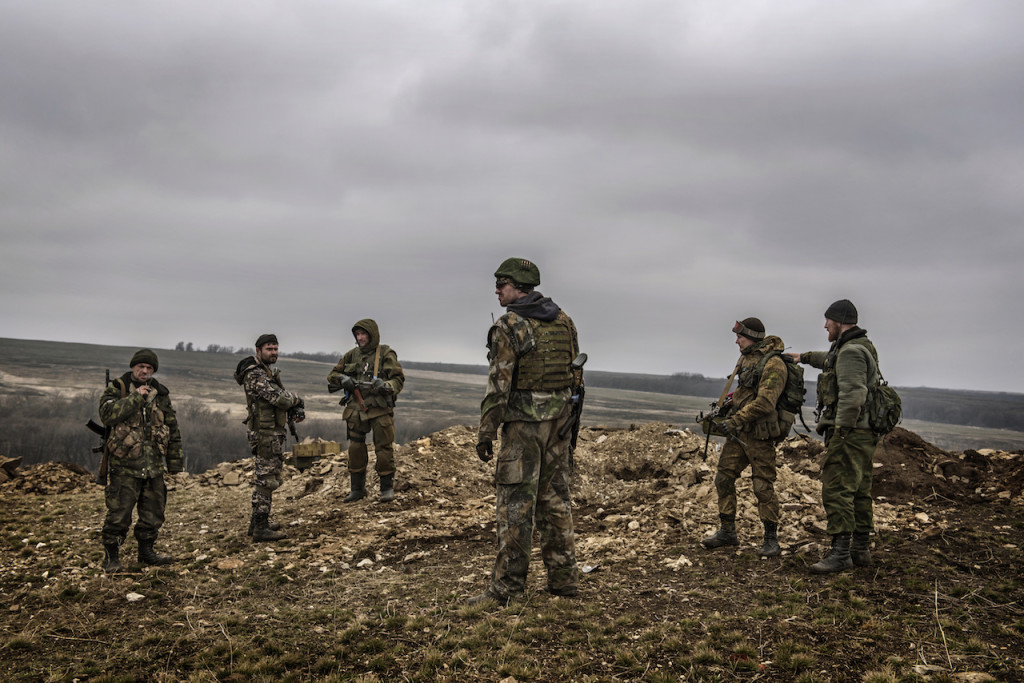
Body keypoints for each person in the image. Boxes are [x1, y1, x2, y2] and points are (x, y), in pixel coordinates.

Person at [470, 257, 582, 605]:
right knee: (555, 501)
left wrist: (486, 431)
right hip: (559, 425)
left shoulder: (509, 325)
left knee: (515, 506)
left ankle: (506, 589)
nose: (497, 290)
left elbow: (498, 384)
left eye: (502, 284)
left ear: (518, 288)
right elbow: (575, 376)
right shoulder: (564, 321)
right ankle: (564, 581)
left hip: (523, 429)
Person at [789, 299, 879, 573]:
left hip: (849, 432)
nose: (825, 325)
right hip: (863, 432)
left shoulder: (851, 351)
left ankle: (840, 554)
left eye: (828, 320)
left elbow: (854, 395)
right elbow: (829, 360)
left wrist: (842, 430)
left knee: (838, 489)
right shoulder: (859, 345)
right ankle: (860, 550)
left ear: (839, 322)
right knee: (860, 489)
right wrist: (801, 357)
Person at [701, 318, 791, 558]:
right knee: (723, 478)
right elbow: (743, 393)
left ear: (752, 337)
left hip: (760, 435)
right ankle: (727, 531)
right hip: (739, 433)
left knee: (762, 487)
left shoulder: (774, 364)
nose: (736, 340)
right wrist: (725, 408)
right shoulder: (745, 359)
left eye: (740, 337)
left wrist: (736, 420)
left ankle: (771, 539)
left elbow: (765, 402)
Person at [99, 348, 183, 572]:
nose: (144, 371)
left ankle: (146, 552)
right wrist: (136, 398)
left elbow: (171, 427)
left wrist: (174, 462)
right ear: (133, 367)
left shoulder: (161, 393)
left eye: (149, 368)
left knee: (153, 513)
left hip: (154, 465)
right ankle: (111, 556)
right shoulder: (118, 388)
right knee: (119, 514)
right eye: (141, 367)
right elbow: (107, 415)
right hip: (124, 466)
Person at [234, 334, 304, 542]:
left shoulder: (263, 372)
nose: (273, 352)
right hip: (265, 433)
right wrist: (298, 400)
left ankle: (257, 522)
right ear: (258, 351)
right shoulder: (255, 374)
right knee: (266, 479)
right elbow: (279, 398)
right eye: (269, 349)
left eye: (275, 348)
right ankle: (261, 527)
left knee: (267, 476)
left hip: (270, 431)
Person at [327, 319, 405, 503]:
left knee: (384, 449)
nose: (360, 338)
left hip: (379, 408)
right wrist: (343, 379)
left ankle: (386, 488)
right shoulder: (351, 355)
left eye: (364, 334)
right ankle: (357, 489)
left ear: (372, 335)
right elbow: (332, 376)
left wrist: (386, 385)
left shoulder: (386, 353)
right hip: (356, 408)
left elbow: (398, 379)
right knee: (355, 448)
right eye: (358, 334)